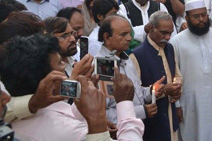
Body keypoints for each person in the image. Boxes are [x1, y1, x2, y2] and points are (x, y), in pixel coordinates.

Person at [0, 33, 144, 140]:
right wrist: (124, 102)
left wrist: (86, 114)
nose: (67, 68)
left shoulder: (16, 112)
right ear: (49, 82)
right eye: (61, 63)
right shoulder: (70, 130)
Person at [170, 0, 212, 141]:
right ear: (187, 18)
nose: (201, 20)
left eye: (204, 15)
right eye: (196, 17)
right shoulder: (177, 41)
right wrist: (177, 105)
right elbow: (174, 74)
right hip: (190, 102)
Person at [130, 11, 183, 141]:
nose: (168, 37)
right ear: (151, 29)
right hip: (151, 123)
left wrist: (176, 89)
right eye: (164, 33)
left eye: (170, 33)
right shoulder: (137, 55)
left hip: (170, 117)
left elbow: (178, 76)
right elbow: (135, 94)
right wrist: (162, 90)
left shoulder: (170, 48)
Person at [96, 15, 158, 124]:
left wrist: (152, 91)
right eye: (123, 34)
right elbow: (104, 112)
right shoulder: (103, 67)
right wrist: (141, 112)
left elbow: (136, 93)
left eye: (129, 33)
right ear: (106, 37)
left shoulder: (126, 59)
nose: (130, 38)